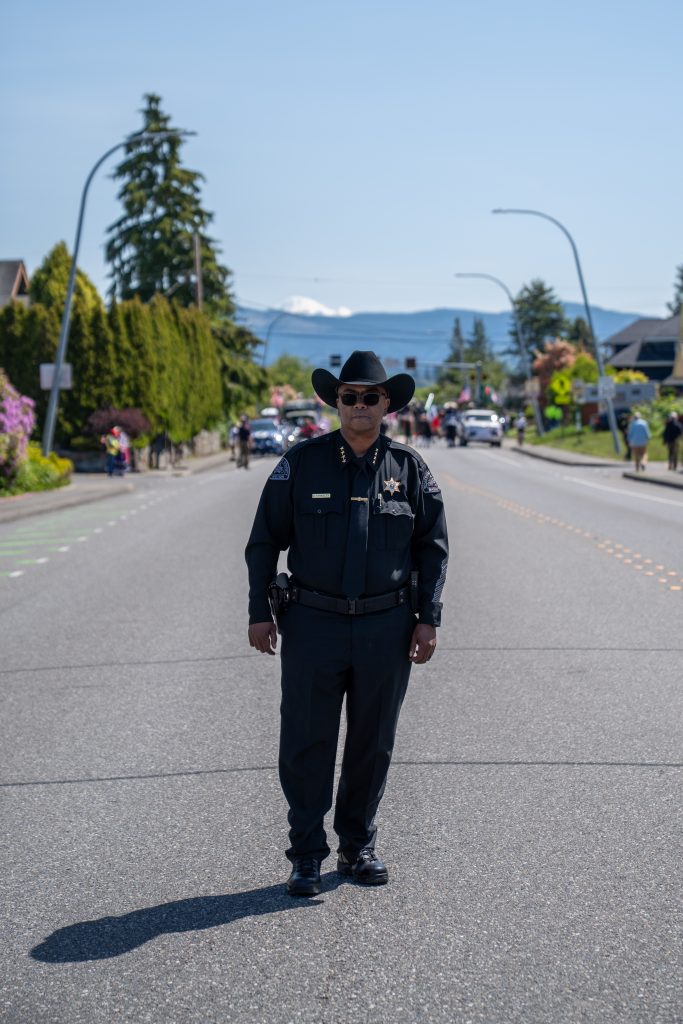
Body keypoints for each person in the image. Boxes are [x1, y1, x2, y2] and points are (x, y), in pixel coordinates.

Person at [245, 351, 448, 897]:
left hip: (387, 626)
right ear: (336, 402)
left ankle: (357, 846)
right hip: (314, 624)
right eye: (350, 396)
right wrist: (258, 611)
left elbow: (433, 549)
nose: (360, 405)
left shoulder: (408, 469)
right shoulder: (301, 464)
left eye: (370, 397)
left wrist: (428, 618)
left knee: (372, 742)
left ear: (387, 404)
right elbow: (264, 542)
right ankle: (307, 854)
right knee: (306, 740)